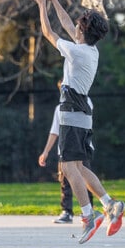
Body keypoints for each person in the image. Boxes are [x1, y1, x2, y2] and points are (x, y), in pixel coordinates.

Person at [29, 0, 125, 244]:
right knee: (80, 167)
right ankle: (109, 204)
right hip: (83, 112)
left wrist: (40, 4)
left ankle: (87, 216)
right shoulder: (89, 51)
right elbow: (69, 26)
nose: (75, 27)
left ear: (83, 31)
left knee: (67, 167)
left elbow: (48, 32)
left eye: (79, 26)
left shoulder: (76, 51)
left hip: (71, 110)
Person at [38, 85, 94, 224]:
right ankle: (67, 211)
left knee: (86, 179)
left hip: (81, 149)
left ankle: (90, 211)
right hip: (65, 151)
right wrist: (46, 151)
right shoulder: (60, 109)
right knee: (65, 181)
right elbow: (54, 131)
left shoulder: (86, 102)